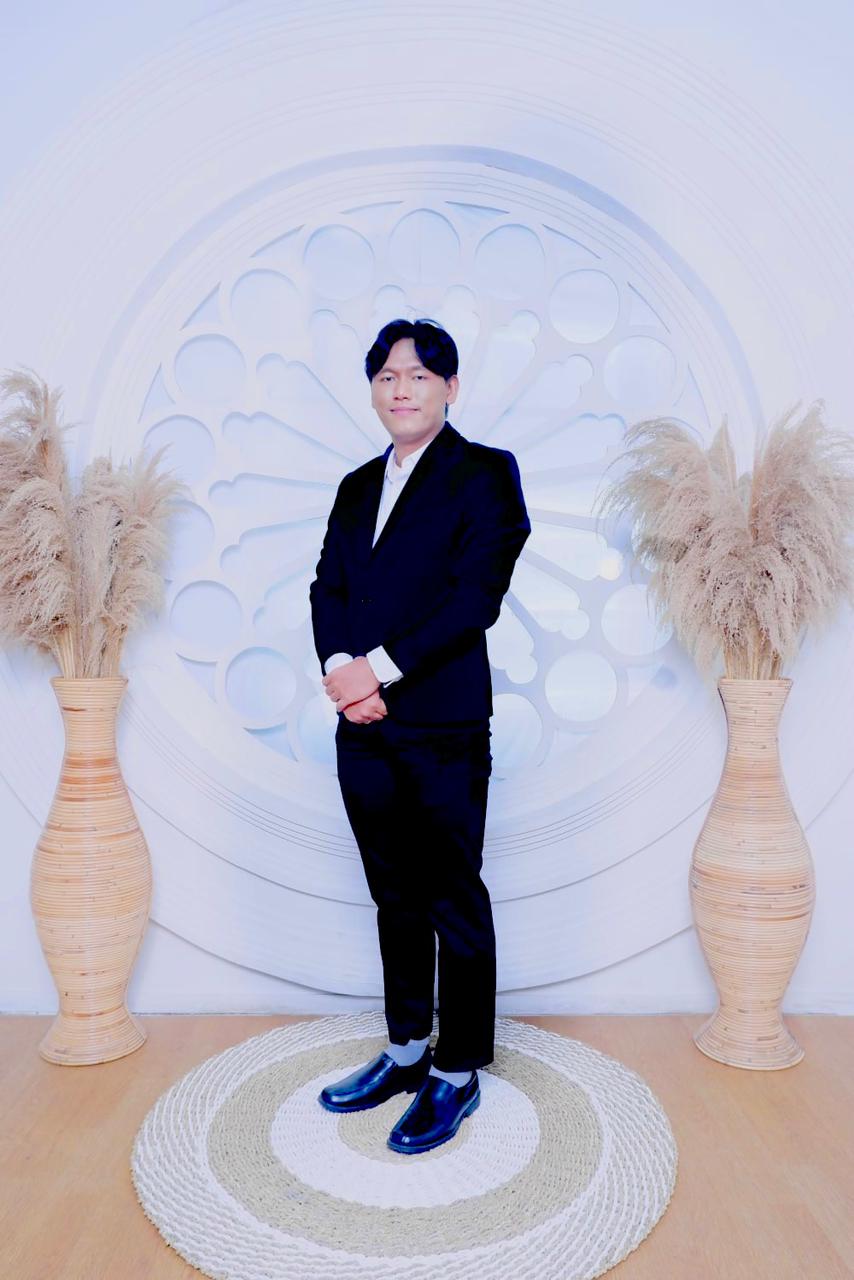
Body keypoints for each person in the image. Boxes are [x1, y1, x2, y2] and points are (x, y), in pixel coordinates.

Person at [309, 317, 531, 1154]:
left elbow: (476, 598)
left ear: (450, 388)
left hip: (441, 724)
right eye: (387, 377)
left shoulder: (486, 473)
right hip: (360, 726)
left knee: (451, 896)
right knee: (393, 893)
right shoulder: (355, 485)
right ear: (374, 390)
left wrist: (377, 669)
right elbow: (328, 587)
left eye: (419, 375)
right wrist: (341, 667)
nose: (401, 389)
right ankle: (406, 1048)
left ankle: (457, 1068)